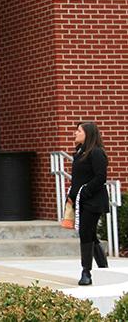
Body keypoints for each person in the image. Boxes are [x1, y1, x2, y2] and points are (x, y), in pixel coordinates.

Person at [68, 122, 109, 286]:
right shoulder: (79, 153)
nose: (75, 134)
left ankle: (86, 272)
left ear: (88, 134)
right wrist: (72, 196)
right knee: (90, 233)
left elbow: (100, 177)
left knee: (85, 232)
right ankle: (103, 266)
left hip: (93, 201)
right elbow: (77, 178)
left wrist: (85, 192)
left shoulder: (97, 153)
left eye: (78, 131)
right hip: (81, 200)